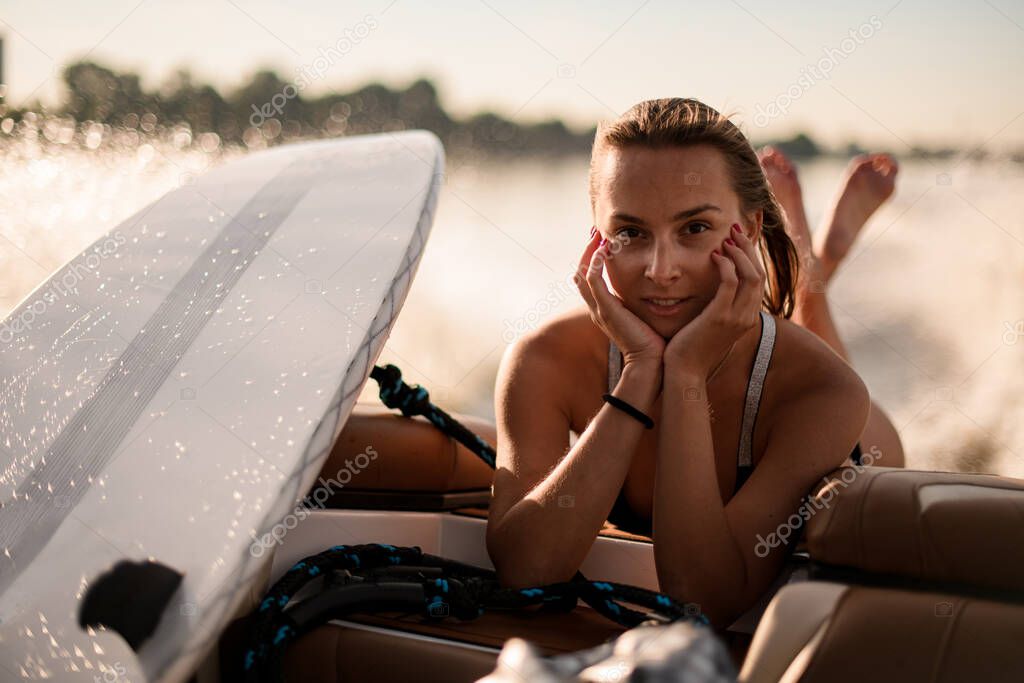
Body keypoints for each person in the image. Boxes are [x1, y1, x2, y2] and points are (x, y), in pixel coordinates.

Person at [486, 97, 903, 629]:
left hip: (868, 443)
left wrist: (683, 377)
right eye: (630, 233)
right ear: (596, 237)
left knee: (806, 344)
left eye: (695, 229)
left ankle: (810, 278)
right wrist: (640, 371)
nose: (661, 271)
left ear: (750, 228)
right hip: (751, 352)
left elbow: (704, 601)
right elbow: (526, 570)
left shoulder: (826, 390)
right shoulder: (545, 359)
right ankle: (805, 270)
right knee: (785, 329)